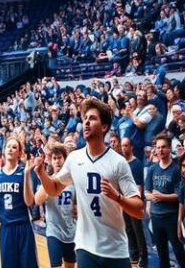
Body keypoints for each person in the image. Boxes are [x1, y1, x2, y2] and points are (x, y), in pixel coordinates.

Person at [35, 97, 143, 268]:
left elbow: (139, 210)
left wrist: (118, 198)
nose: (85, 122)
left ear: (104, 127)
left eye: (92, 118)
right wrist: (41, 173)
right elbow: (54, 189)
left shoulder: (118, 162)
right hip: (85, 249)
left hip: (116, 250)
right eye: (84, 118)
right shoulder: (74, 158)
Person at [0, 137, 38, 268]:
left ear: (19, 153)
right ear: (4, 150)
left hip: (23, 227)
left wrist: (28, 174)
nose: (10, 149)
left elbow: (29, 202)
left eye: (14, 147)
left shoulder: (24, 172)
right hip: (6, 228)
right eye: (8, 146)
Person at [144, 133, 185, 268]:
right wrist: (152, 197)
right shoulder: (152, 169)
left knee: (180, 254)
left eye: (164, 147)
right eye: (158, 147)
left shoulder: (176, 169)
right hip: (156, 218)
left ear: (169, 149)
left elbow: (180, 195)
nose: (160, 150)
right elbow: (146, 192)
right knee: (162, 256)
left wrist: (161, 196)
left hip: (171, 217)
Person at [34, 144, 76, 268]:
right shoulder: (49, 181)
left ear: (65, 160)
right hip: (54, 231)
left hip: (71, 232)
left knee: (70, 266)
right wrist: (44, 177)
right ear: (51, 161)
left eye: (59, 158)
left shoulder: (73, 181)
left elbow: (78, 204)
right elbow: (37, 200)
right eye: (54, 158)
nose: (57, 161)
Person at [119, 137, 147, 267]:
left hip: (133, 202)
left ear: (131, 147)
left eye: (126, 145)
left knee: (138, 232)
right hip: (124, 201)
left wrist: (137, 204)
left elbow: (139, 187)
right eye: (122, 146)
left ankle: (143, 259)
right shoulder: (123, 163)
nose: (123, 148)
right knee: (129, 230)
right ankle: (134, 256)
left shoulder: (137, 164)